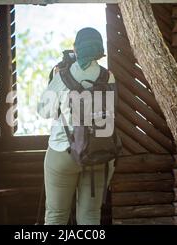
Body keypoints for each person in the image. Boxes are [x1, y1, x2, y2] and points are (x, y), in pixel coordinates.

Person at [37, 27, 116, 225]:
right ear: (99, 50)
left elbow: (44, 112)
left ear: (76, 48)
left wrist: (55, 77)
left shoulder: (61, 76)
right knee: (90, 217)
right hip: (100, 152)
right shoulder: (108, 77)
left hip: (63, 152)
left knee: (56, 216)